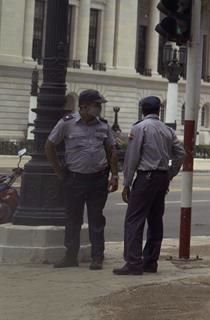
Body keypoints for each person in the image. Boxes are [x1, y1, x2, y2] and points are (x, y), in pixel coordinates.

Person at [45, 89, 119, 270]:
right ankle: (70, 256)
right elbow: (49, 146)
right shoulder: (67, 124)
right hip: (74, 179)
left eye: (100, 105)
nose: (99, 109)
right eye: (96, 105)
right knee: (72, 219)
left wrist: (115, 175)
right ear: (84, 106)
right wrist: (58, 172)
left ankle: (97, 257)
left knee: (96, 219)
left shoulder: (103, 126)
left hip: (98, 179)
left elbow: (112, 151)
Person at [114, 96, 185, 276]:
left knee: (134, 220)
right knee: (155, 221)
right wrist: (170, 174)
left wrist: (127, 183)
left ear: (142, 110)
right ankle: (150, 261)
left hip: (146, 177)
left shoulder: (140, 128)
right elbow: (180, 153)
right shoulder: (167, 130)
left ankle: (133, 262)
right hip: (161, 177)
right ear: (158, 110)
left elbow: (132, 157)